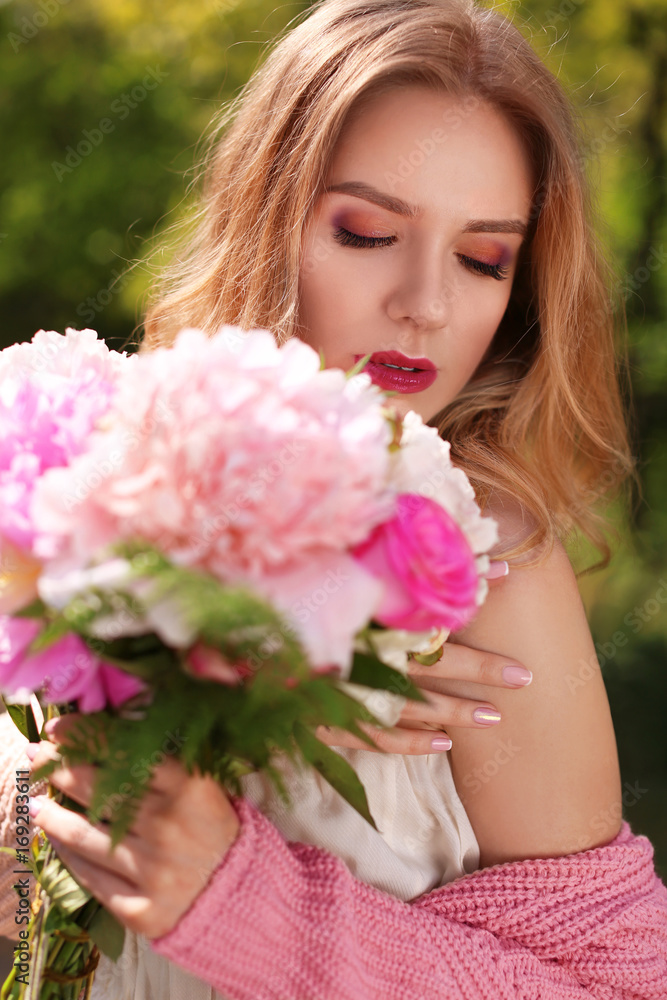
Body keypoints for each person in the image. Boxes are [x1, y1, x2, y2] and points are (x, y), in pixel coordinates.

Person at [2, 0, 667, 996]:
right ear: (265, 214)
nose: (426, 303)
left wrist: (248, 906)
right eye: (366, 232)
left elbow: (615, 988)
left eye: (483, 258)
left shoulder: (485, 572)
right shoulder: (87, 487)